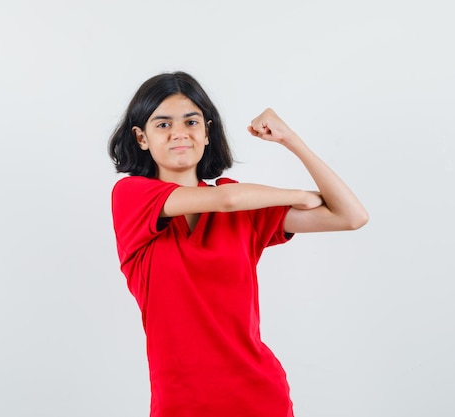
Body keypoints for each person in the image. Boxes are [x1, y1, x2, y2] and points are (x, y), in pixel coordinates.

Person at [108, 71, 368, 417]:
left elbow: (351, 216)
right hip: (180, 403)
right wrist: (299, 195)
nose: (179, 133)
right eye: (163, 125)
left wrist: (291, 140)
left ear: (207, 133)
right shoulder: (131, 197)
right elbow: (227, 200)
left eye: (191, 121)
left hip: (260, 397)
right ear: (141, 138)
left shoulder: (248, 210)